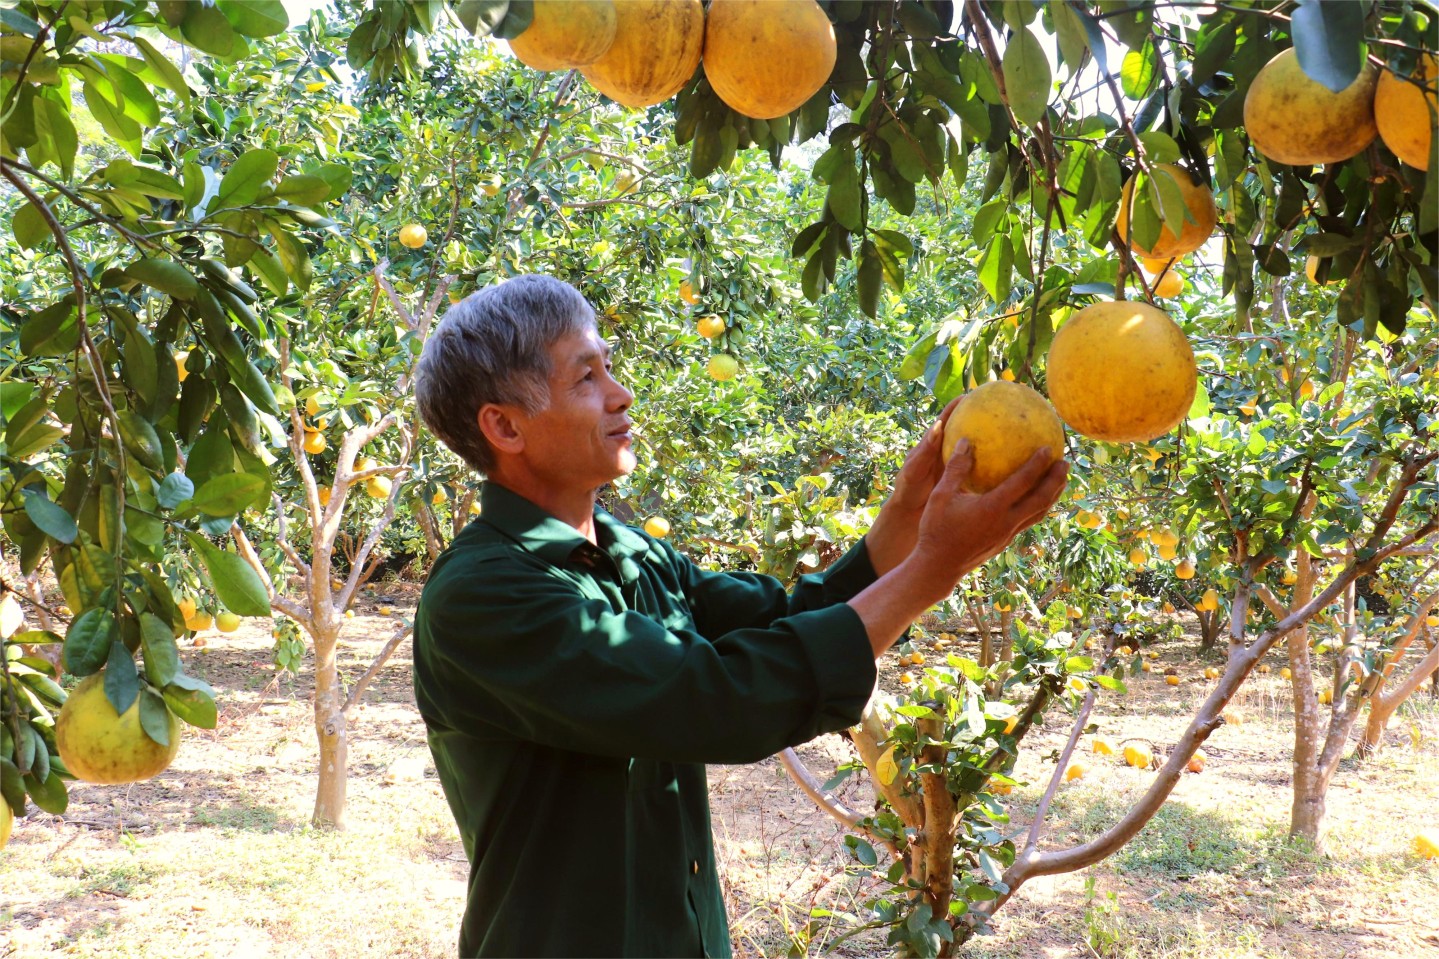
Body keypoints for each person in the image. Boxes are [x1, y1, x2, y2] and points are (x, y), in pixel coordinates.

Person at [411, 274, 1068, 958]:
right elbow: (715, 696)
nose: (619, 393)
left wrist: (906, 516)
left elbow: (791, 617)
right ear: (505, 425)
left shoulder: (631, 553)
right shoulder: (483, 595)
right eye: (585, 377)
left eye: (608, 366)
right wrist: (934, 567)